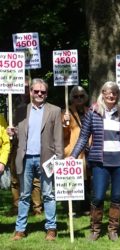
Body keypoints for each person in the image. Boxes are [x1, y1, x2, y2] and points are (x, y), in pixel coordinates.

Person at [70, 81, 120, 241]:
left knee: (117, 196)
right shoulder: (93, 113)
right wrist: (73, 155)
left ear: (117, 96)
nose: (111, 95)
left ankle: (113, 229)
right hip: (99, 162)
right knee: (98, 196)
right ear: (102, 93)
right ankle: (95, 229)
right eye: (108, 92)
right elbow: (83, 137)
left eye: (114, 93)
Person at [8, 78, 64, 241]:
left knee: (48, 194)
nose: (39, 94)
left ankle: (51, 228)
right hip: (26, 159)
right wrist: (12, 133)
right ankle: (20, 229)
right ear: (30, 92)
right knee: (24, 195)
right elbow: (20, 135)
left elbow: (58, 138)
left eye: (43, 91)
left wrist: (58, 160)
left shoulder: (54, 110)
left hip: (47, 159)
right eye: (36, 91)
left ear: (46, 94)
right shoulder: (20, 111)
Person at [8, 77, 42, 216]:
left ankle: (37, 208)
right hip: (17, 147)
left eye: (27, 88)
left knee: (36, 180)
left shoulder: (40, 106)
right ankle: (17, 207)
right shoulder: (14, 105)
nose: (24, 91)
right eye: (21, 89)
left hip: (34, 148)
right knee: (15, 178)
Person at [62, 86, 91, 216]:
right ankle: (71, 207)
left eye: (81, 96)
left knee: (88, 179)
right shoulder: (65, 113)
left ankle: (86, 206)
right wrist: (65, 124)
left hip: (89, 150)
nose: (79, 99)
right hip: (73, 150)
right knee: (73, 178)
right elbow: (61, 135)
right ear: (71, 98)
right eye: (75, 96)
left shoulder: (90, 111)